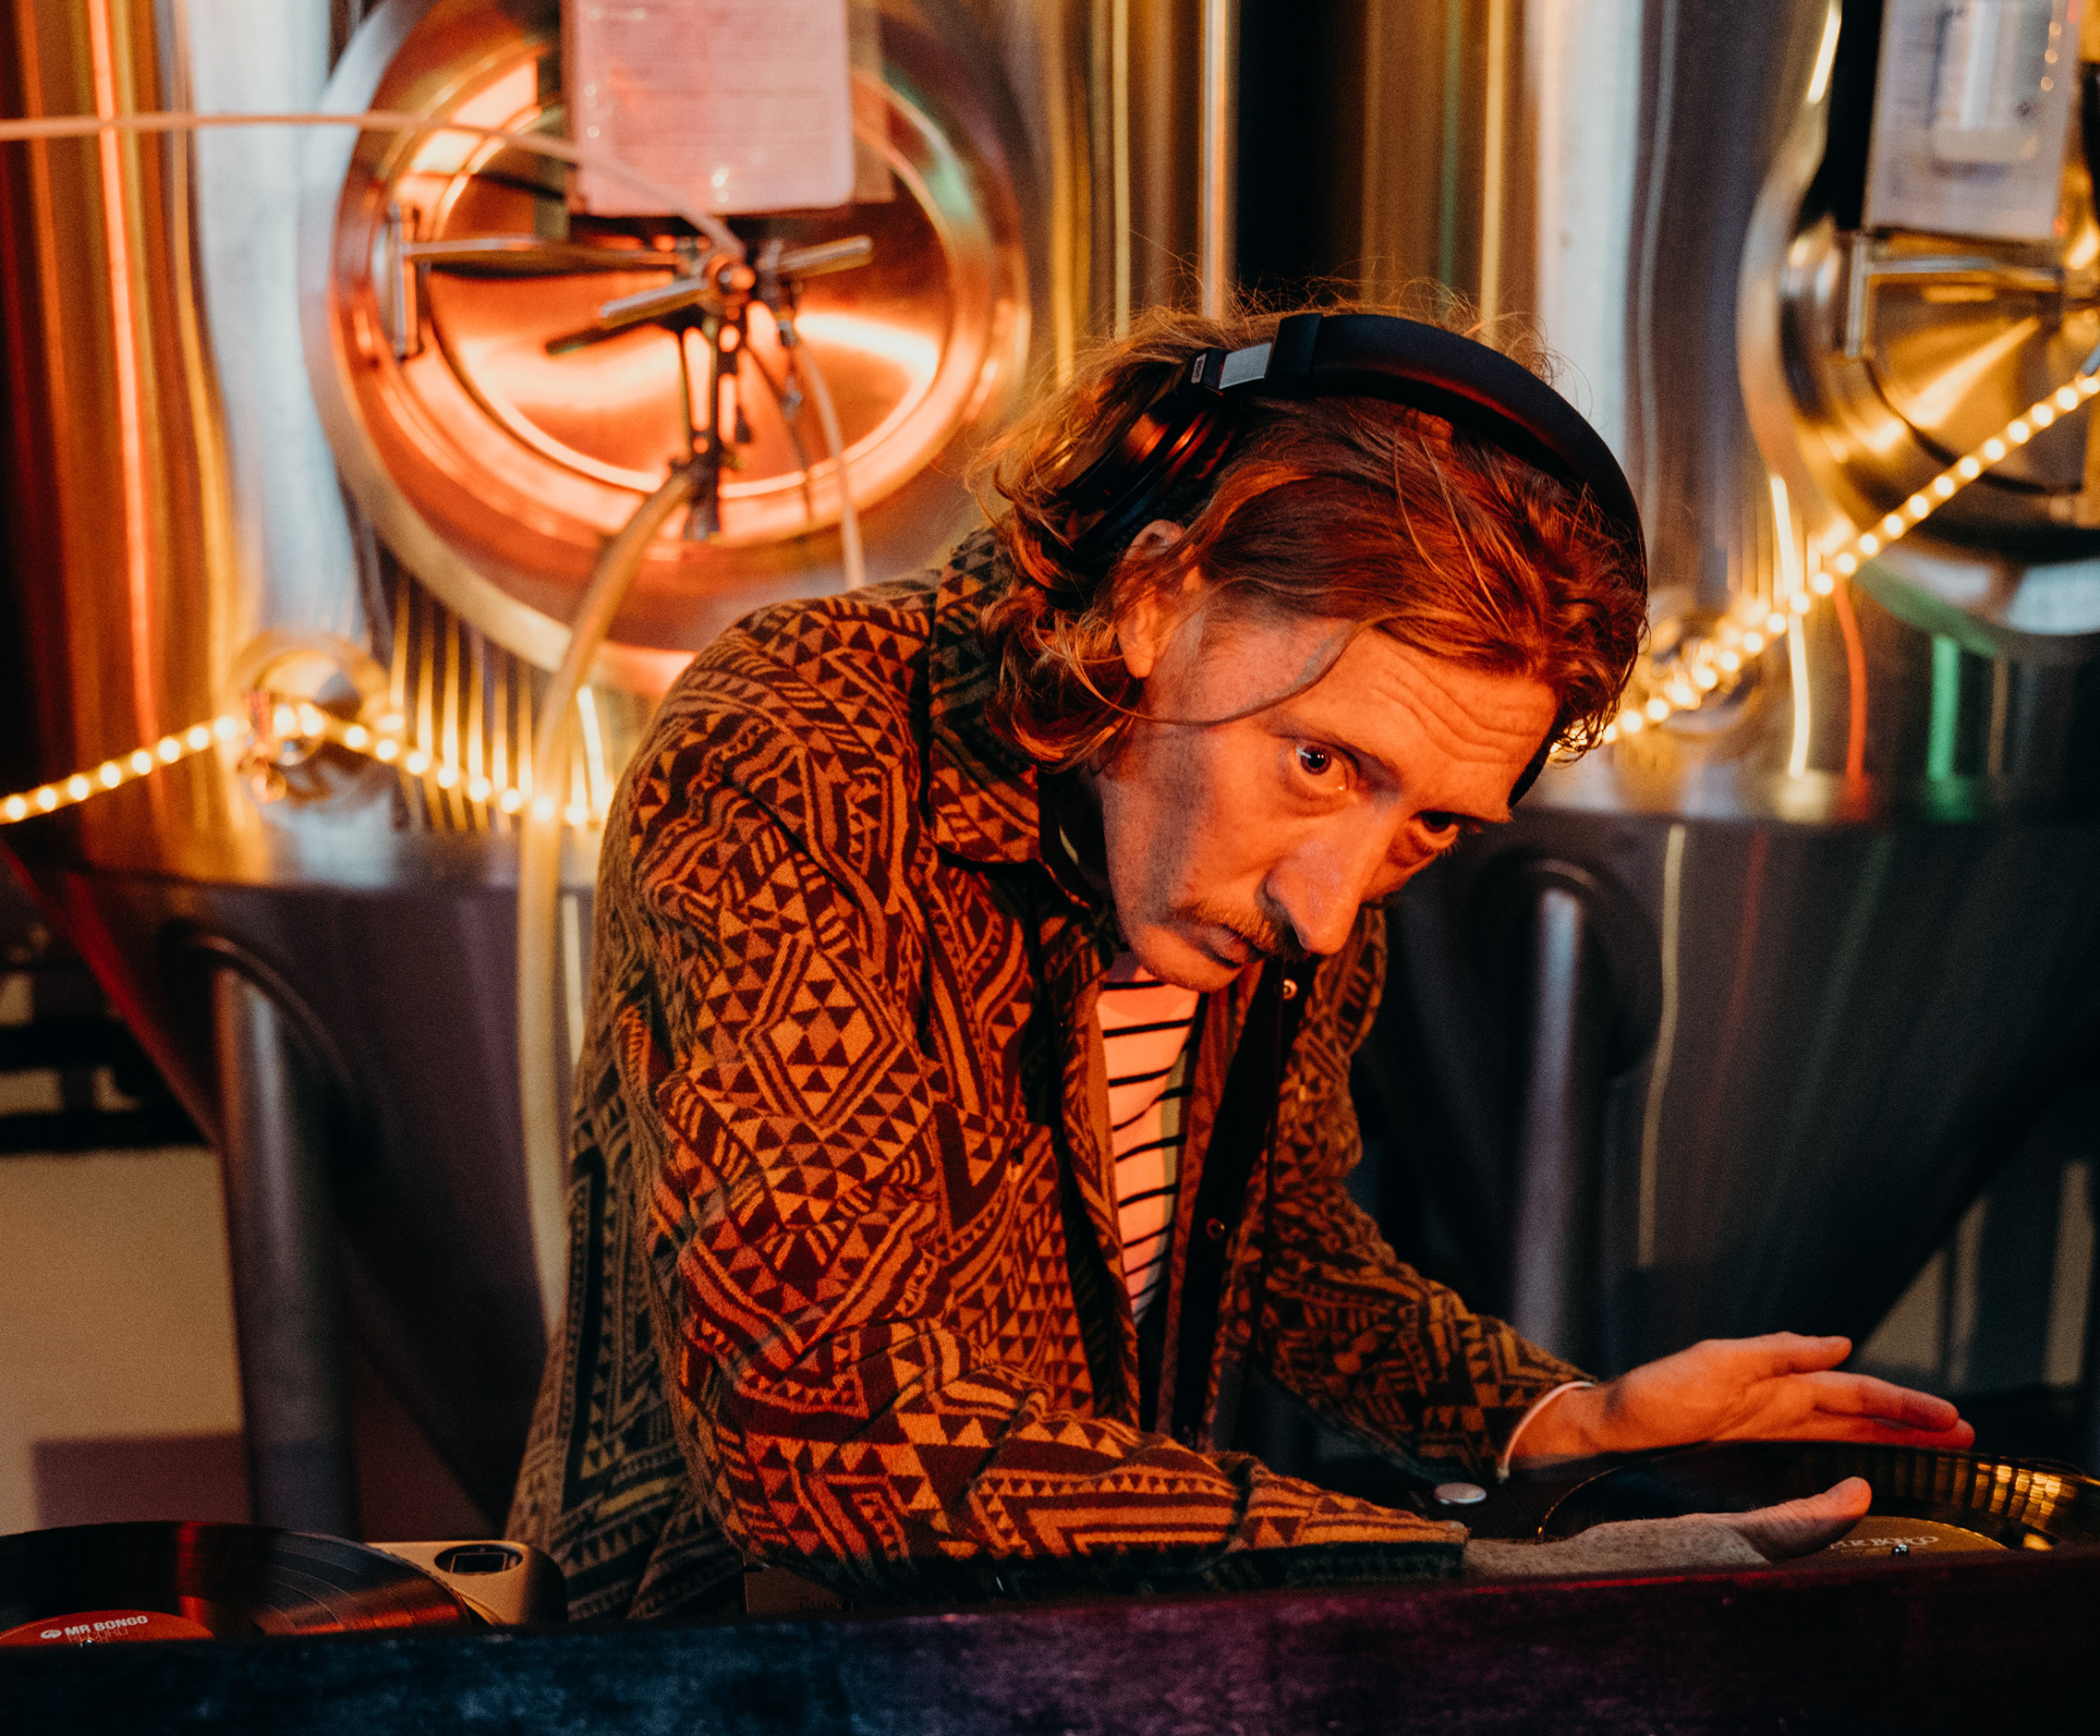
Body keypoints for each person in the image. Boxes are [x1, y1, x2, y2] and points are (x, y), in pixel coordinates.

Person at [509, 304, 1973, 1620]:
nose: (1326, 914)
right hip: (703, 1683)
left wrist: (1557, 1423)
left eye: (1431, 824)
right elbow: (809, 1423)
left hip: (1055, 1668)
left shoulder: (1302, 861)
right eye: (1321, 762)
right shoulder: (798, 751)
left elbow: (1275, 1243)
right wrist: (1441, 1572)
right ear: (1157, 598)